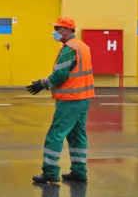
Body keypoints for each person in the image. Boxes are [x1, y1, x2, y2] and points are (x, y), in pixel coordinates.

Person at [26, 17, 95, 185]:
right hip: (83, 98)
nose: (55, 32)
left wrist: (41, 84)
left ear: (69, 31)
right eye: (55, 28)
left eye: (59, 29)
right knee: (77, 135)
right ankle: (79, 171)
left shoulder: (69, 49)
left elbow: (59, 75)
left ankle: (50, 172)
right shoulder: (82, 46)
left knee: (55, 135)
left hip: (70, 99)